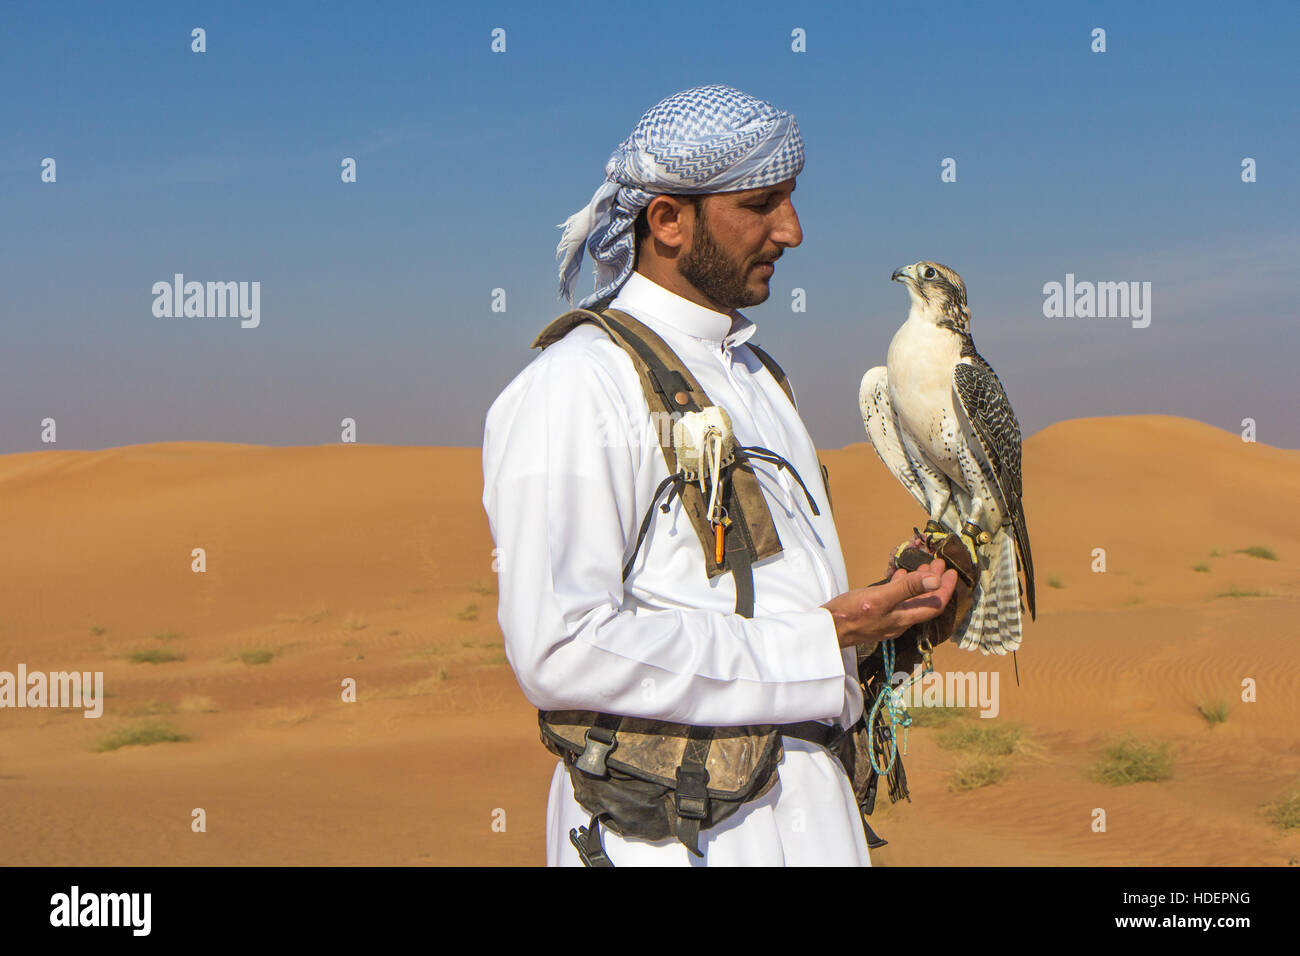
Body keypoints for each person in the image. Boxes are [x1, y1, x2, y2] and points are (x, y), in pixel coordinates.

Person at [481, 85, 958, 866]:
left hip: (809, 819)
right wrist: (823, 636)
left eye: (791, 201)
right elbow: (559, 646)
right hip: (674, 840)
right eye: (762, 204)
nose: (792, 231)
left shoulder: (759, 377)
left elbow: (759, 614)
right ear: (668, 220)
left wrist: (884, 623)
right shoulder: (578, 386)